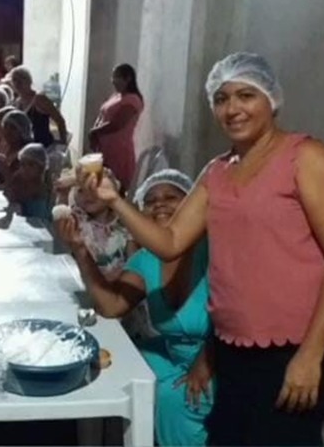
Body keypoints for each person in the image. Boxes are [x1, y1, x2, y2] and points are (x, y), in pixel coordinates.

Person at [86, 52, 324, 446]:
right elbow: (170, 241)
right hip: (234, 347)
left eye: (246, 95)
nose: (232, 109)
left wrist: (311, 355)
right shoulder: (217, 171)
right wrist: (115, 199)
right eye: (221, 98)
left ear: (271, 99)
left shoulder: (306, 158)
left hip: (298, 344)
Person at [58, 169, 212, 446]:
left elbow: (240, 312)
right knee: (113, 368)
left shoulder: (213, 250)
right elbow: (112, 305)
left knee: (177, 400)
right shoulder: (146, 259)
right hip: (173, 355)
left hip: (219, 356)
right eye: (150, 201)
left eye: (171, 197)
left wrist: (205, 361)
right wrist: (80, 250)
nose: (159, 204)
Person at [89, 64, 144, 191]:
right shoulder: (116, 96)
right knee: (100, 184)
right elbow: (103, 114)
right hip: (104, 149)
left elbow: (117, 124)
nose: (113, 80)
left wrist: (94, 132)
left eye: (117, 77)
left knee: (116, 185)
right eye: (113, 77)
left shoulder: (132, 100)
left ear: (128, 78)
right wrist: (95, 133)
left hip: (118, 150)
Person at [9, 66, 68, 148]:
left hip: (43, 147)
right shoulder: (16, 102)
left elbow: (60, 120)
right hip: (25, 148)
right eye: (14, 80)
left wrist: (63, 143)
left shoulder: (40, 99)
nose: (17, 83)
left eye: (21, 79)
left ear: (29, 81)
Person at [0, 143, 52, 228]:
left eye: (31, 165)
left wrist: (22, 209)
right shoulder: (19, 179)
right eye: (22, 164)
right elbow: (10, 195)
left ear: (41, 167)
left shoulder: (41, 188)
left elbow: (40, 219)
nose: (25, 168)